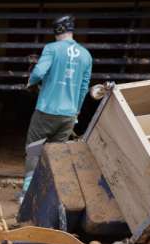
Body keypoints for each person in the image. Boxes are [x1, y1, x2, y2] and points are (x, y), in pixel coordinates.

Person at [22, 15, 92, 199]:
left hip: (47, 110)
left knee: (34, 150)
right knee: (56, 156)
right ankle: (47, 195)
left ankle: (27, 194)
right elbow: (84, 87)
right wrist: (76, 110)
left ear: (57, 31)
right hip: (68, 115)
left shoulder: (52, 49)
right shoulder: (86, 55)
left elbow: (38, 72)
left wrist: (30, 81)